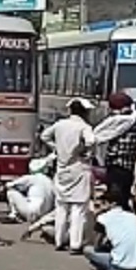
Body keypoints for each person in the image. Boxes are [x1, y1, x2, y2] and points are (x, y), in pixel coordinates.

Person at [41, 98, 96, 254]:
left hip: (62, 169)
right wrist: (83, 150)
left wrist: (56, 148)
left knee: (61, 207)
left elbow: (44, 136)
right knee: (78, 208)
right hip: (78, 168)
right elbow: (91, 141)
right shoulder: (84, 127)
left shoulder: (60, 125)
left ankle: (59, 241)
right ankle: (75, 244)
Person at [94, 92, 136, 210]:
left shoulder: (123, 121)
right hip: (129, 167)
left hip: (117, 166)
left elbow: (99, 135)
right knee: (123, 197)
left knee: (116, 200)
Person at [85, 186, 136, 270]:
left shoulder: (103, 218)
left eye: (104, 203)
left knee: (88, 250)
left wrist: (97, 215)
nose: (102, 206)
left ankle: (108, 264)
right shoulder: (133, 217)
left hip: (120, 267)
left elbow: (96, 245)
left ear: (112, 204)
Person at [1, 154, 55, 230]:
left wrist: (5, 186)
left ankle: (14, 215)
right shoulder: (50, 181)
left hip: (32, 212)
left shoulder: (32, 178)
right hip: (45, 214)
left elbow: (10, 185)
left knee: (11, 192)